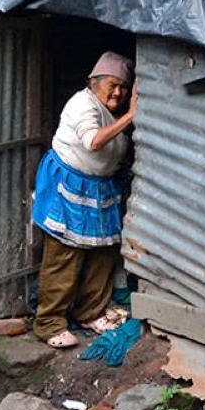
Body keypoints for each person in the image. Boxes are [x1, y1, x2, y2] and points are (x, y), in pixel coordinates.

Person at [31, 51, 137, 348]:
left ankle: (90, 312)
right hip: (71, 186)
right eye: (111, 85)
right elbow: (92, 142)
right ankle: (49, 323)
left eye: (124, 87)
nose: (117, 92)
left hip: (101, 188)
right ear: (94, 82)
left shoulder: (111, 111)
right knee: (65, 255)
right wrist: (131, 115)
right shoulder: (82, 104)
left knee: (102, 254)